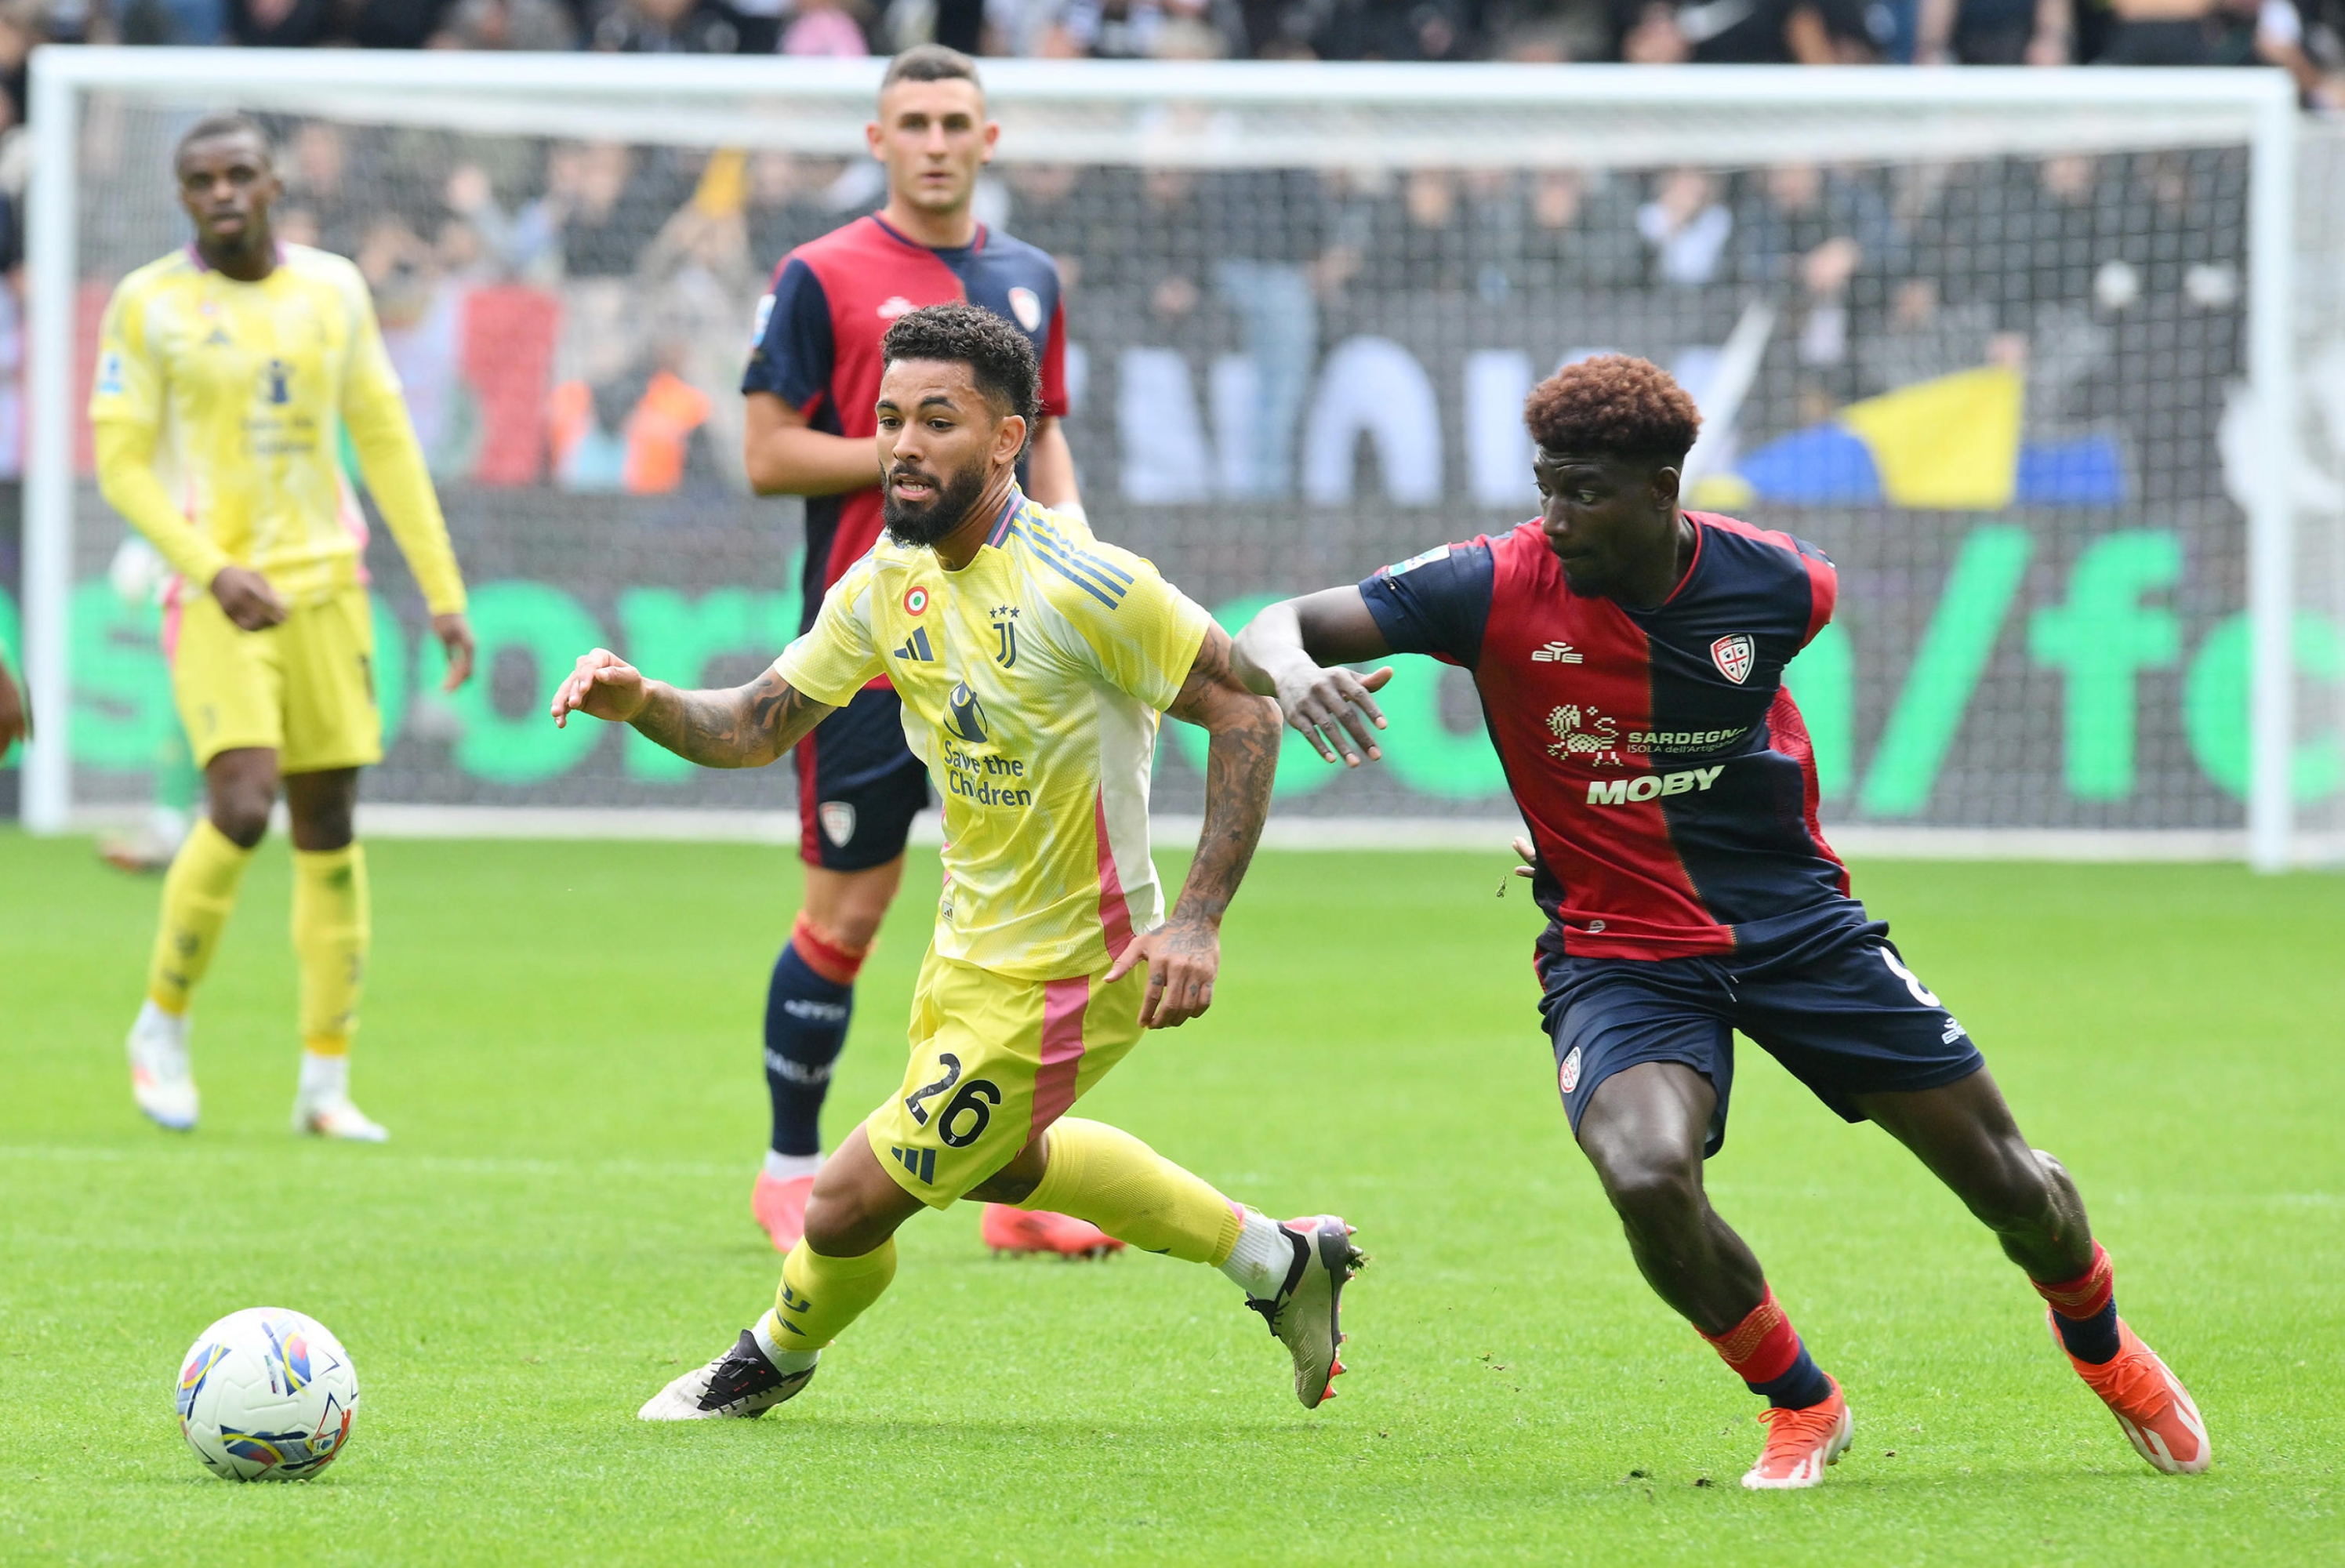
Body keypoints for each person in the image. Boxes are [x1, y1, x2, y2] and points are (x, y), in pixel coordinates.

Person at [1232, 354, 2208, 1489]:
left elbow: (1759, 726)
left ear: (1664, 488)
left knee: (2009, 1185)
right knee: (1645, 1175)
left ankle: (2104, 1347)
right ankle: (1802, 1404)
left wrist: (1642, 792)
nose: (1555, 517)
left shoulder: (1787, 588)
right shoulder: (1490, 582)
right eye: (1546, 484)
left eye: (1585, 492)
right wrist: (1294, 675)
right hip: (1621, 952)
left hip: (1799, 930)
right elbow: (1275, 623)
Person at [550, 303, 1362, 1420]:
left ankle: (768, 1360)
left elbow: (1245, 710)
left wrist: (1201, 918)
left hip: (1082, 966)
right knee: (1008, 1168)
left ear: (1005, 439)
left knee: (841, 1206)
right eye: (888, 419)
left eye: (938, 419)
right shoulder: (891, 583)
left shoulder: (1089, 582)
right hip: (968, 955)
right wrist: (640, 700)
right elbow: (754, 724)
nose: (903, 444)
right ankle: (1280, 1264)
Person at [739, 44, 1101, 1258]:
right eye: (916, 121)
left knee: (1034, 929)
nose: (937, 140)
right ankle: (791, 1164)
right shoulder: (819, 274)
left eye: (958, 120)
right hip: (875, 640)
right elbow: (767, 455)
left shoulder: (1031, 275)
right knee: (849, 907)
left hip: (1014, 646)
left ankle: (1015, 1186)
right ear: (877, 138)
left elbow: (1039, 443)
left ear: (988, 139)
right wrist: (923, 450)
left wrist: (1081, 566)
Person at [93, 112, 476, 1141]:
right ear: (183, 197)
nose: (222, 193)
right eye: (201, 180)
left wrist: (442, 591)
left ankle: (323, 1079)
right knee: (243, 799)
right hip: (219, 593)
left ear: (272, 187)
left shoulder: (333, 289)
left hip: (327, 590)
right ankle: (160, 1027)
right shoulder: (150, 304)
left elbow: (385, 439)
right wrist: (210, 570)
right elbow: (122, 462)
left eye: (240, 175)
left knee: (329, 826)